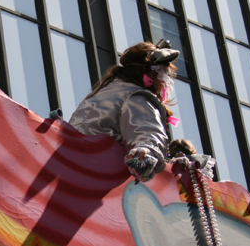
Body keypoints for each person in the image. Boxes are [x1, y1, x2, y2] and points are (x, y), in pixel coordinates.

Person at [69, 40, 182, 182]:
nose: (164, 81)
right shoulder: (137, 96)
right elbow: (147, 134)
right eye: (164, 74)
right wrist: (146, 156)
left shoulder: (104, 92)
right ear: (150, 72)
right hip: (97, 172)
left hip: (71, 165)